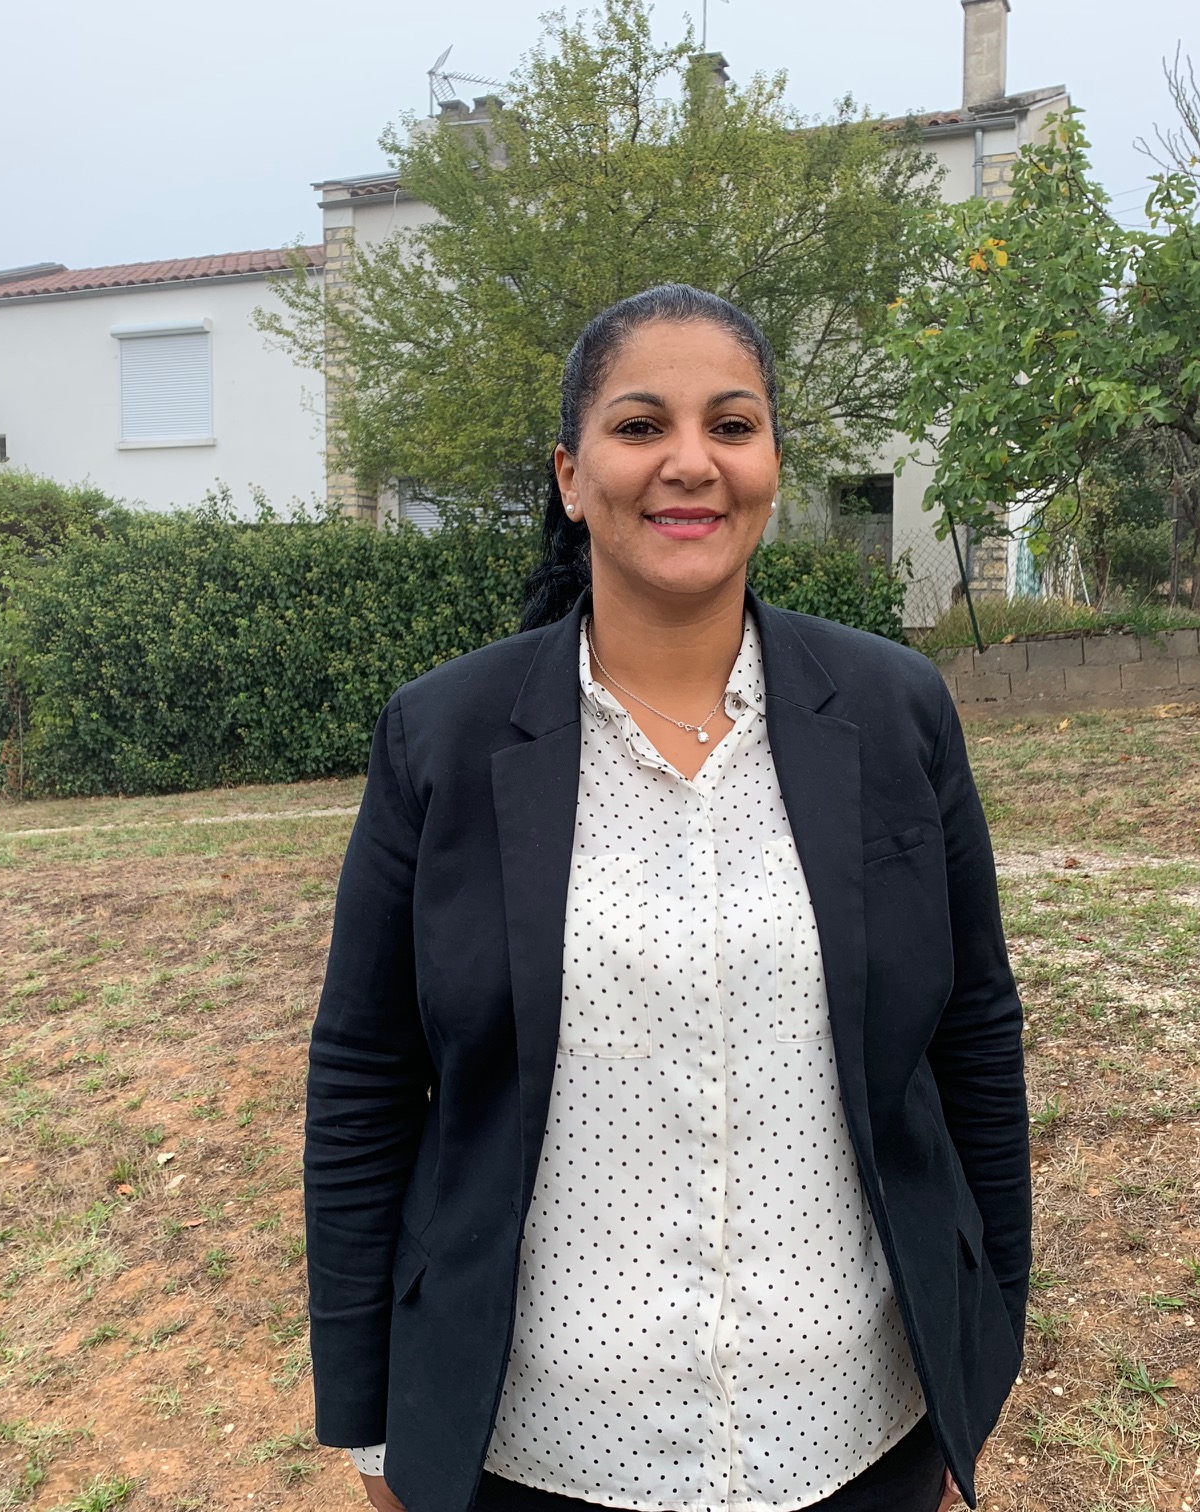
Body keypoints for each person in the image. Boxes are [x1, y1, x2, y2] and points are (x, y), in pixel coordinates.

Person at [304, 284, 1030, 1512]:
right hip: (538, 1448)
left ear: (772, 466)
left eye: (731, 426)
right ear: (571, 475)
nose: (690, 462)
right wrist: (372, 1425)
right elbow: (365, 1076)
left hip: (860, 1432)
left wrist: (985, 1347)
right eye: (641, 426)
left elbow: (974, 1037)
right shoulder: (444, 738)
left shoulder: (896, 712)